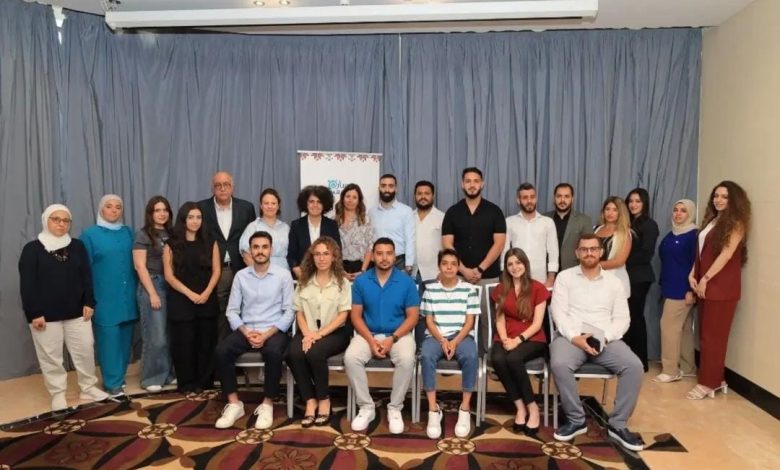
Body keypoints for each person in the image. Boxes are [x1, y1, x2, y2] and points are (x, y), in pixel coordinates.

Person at [550, 234, 644, 452]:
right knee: (559, 364)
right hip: (572, 338)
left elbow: (623, 319)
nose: (589, 253)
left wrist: (605, 337)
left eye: (593, 249)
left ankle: (618, 424)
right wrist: (574, 337)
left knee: (634, 366)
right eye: (584, 249)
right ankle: (576, 420)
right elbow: (559, 313)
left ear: (601, 252)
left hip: (606, 339)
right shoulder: (565, 278)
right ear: (577, 253)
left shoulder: (614, 283)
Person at [19, 204, 109, 410]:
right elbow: (27, 284)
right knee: (51, 356)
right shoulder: (32, 249)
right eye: (56, 219)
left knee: (85, 350)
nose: (61, 224)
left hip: (78, 312)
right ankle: (58, 393)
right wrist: (34, 313)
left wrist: (89, 302)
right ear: (46, 221)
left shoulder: (77, 246)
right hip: (45, 316)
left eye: (66, 220)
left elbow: (86, 276)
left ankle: (88, 388)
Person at [214, 231, 294, 430]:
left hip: (273, 330)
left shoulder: (283, 276)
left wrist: (266, 334)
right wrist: (246, 331)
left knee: (273, 353)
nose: (260, 251)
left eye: (264, 247)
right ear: (250, 251)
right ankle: (234, 404)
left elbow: (289, 312)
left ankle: (267, 404)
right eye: (256, 247)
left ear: (271, 250)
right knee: (221, 351)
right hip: (247, 329)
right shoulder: (241, 276)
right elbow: (232, 311)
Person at [345, 238, 420, 434]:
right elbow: (355, 316)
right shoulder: (361, 281)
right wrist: (371, 341)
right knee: (351, 357)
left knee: (406, 359)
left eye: (388, 253)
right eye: (379, 253)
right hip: (368, 334)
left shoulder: (406, 282)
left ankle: (395, 408)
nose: (384, 258)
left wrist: (392, 339)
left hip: (398, 334)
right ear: (372, 256)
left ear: (395, 256)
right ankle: (366, 407)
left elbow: (413, 317)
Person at [687, 181, 750, 400]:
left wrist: (705, 278)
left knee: (714, 338)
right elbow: (701, 251)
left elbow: (726, 254)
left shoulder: (737, 224)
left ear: (734, 200)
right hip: (705, 285)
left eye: (724, 196)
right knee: (706, 336)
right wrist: (693, 273)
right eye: (716, 196)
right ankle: (717, 378)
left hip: (721, 287)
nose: (718, 200)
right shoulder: (712, 221)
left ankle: (709, 383)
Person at [286, 236, 351, 427]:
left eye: (326, 254)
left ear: (334, 257)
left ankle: (323, 399)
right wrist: (308, 334)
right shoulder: (304, 281)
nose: (321, 258)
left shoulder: (342, 283)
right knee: (293, 353)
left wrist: (318, 335)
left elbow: (343, 316)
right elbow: (299, 312)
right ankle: (309, 400)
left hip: (335, 333)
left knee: (314, 352)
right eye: (317, 254)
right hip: (308, 331)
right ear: (312, 257)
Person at [80, 194, 138, 397]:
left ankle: (119, 377)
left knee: (125, 339)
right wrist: (87, 299)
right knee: (108, 340)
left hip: (128, 296)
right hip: (104, 297)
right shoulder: (89, 235)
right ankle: (112, 382)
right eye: (109, 206)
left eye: (118, 207)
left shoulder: (128, 232)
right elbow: (83, 270)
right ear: (101, 209)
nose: (114, 210)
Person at [420, 249, 480, 439]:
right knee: (426, 355)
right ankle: (433, 410)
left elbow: (469, 323)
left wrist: (454, 341)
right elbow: (429, 321)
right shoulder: (430, 290)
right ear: (439, 266)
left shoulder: (469, 289)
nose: (449, 267)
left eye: (453, 264)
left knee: (471, 355)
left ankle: (464, 409)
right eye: (445, 263)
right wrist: (442, 340)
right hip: (436, 336)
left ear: (458, 267)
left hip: (461, 336)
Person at [490, 248, 550, 436]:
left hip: (532, 337)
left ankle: (533, 408)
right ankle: (520, 408)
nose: (514, 267)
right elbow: (499, 319)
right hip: (506, 336)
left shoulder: (538, 288)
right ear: (506, 268)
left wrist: (517, 341)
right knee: (498, 359)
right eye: (510, 264)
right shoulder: (501, 288)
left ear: (525, 264)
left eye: (518, 262)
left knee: (513, 359)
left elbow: (538, 323)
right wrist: (504, 339)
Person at [163, 202, 221, 394]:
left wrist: (206, 293)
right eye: (191, 217)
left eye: (198, 217)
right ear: (183, 219)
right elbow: (169, 276)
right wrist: (190, 294)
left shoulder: (211, 242)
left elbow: (217, 271)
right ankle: (187, 384)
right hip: (181, 301)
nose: (195, 221)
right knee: (184, 344)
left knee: (206, 343)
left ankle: (205, 383)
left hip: (206, 299)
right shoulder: (171, 244)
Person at [198, 171, 256, 340]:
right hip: (215, 269)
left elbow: (253, 237)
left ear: (233, 187)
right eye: (218, 185)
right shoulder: (201, 208)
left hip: (242, 267)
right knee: (219, 311)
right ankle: (221, 350)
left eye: (226, 185)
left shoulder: (246, 208)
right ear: (212, 188)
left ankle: (242, 348)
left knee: (245, 308)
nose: (222, 188)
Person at [132, 196, 176, 393]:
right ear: (150, 213)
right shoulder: (143, 235)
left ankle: (167, 374)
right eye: (157, 210)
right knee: (155, 335)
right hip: (153, 284)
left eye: (165, 210)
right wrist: (152, 293)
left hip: (171, 285)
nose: (162, 213)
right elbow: (139, 266)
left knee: (168, 334)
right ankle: (150, 377)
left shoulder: (173, 234)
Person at [442, 167, 506, 291]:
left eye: (476, 181)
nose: (472, 185)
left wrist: (480, 269)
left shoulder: (495, 211)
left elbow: (499, 244)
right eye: (468, 181)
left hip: (488, 277)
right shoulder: (452, 212)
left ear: (482, 184)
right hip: (459, 277)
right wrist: (463, 270)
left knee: (489, 305)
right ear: (462, 184)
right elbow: (447, 244)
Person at [655, 199, 698, 383]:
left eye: (683, 210)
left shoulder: (694, 236)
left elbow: (698, 264)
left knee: (668, 327)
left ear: (691, 214)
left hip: (682, 290)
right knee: (684, 328)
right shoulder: (671, 234)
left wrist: (691, 290)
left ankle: (670, 370)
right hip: (669, 287)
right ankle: (688, 367)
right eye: (675, 210)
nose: (678, 213)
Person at [624, 188, 660, 371]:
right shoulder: (626, 223)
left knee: (635, 317)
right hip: (624, 277)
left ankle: (640, 362)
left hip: (639, 278)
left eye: (637, 201)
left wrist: (621, 260)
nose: (633, 204)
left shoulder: (649, 225)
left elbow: (646, 254)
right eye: (631, 201)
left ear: (644, 203)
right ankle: (626, 360)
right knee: (625, 318)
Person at [502, 183, 558, 287]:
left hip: (540, 279)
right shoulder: (509, 222)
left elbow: (553, 251)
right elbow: (505, 251)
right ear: (518, 200)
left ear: (536, 199)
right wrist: (504, 276)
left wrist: (551, 279)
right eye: (525, 197)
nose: (529, 201)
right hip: (515, 278)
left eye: (532, 197)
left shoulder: (547, 222)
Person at [287, 185, 341, 279]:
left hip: (327, 274)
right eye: (311, 201)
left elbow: (337, 251)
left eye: (319, 202)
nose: (315, 205)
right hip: (302, 274)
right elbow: (291, 254)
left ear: (324, 204)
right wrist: (296, 269)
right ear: (306, 204)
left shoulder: (332, 225)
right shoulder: (296, 225)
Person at [368, 174, 415, 273]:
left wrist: (409, 265)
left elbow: (410, 239)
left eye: (390, 186)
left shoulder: (406, 211)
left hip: (399, 262)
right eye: (383, 186)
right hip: (377, 262)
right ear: (379, 188)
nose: (387, 189)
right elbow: (369, 238)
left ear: (396, 189)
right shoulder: (371, 212)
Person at [544, 183, 593, 271]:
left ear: (572, 199)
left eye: (566, 196)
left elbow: (589, 248)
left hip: (573, 271)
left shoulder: (584, 220)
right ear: (554, 198)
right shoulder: (544, 219)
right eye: (559, 196)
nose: (562, 200)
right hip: (547, 271)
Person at [239, 188, 290, 270]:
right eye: (266, 203)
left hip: (284, 273)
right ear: (261, 206)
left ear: (278, 206)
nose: (270, 206)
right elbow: (246, 255)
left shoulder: (286, 228)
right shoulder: (253, 227)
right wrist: (261, 273)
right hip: (260, 273)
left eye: (273, 203)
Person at [593, 196, 633, 297]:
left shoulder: (624, 233)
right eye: (607, 209)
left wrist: (592, 265)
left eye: (615, 210)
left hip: (615, 281)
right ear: (603, 211)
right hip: (594, 280)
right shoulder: (595, 229)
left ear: (620, 213)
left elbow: (619, 261)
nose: (610, 213)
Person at [334, 183, 373, 280]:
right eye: (348, 196)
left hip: (361, 267)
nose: (350, 200)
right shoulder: (333, 221)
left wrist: (363, 271)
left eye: (354, 197)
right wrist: (340, 270)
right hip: (338, 268)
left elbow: (370, 247)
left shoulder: (365, 220)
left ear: (359, 201)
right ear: (342, 198)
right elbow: (331, 248)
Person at [414, 180, 445, 283]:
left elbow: (447, 246)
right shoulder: (408, 217)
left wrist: (443, 271)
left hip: (435, 274)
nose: (423, 197)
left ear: (433, 195)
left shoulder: (442, 218)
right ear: (415, 196)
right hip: (412, 274)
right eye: (419, 193)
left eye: (427, 193)